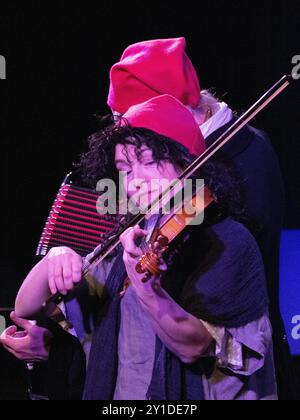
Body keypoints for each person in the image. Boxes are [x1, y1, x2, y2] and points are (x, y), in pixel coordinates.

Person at [12, 95, 277, 400]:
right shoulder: (125, 241)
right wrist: (54, 258)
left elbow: (191, 346)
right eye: (125, 168)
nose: (135, 180)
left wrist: (150, 292)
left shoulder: (228, 241)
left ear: (187, 163)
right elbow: (26, 307)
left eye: (150, 161)